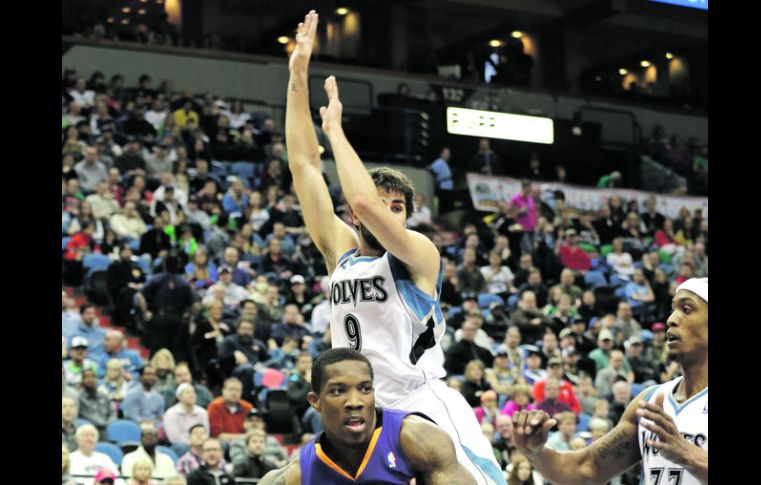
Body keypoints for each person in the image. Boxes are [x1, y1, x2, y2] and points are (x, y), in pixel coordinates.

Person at [284, 10, 504, 485]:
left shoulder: (420, 254)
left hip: (420, 404)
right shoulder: (340, 252)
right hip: (359, 408)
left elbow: (362, 199)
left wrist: (337, 133)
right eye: (381, 205)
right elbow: (303, 166)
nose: (386, 213)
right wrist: (298, 74)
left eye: (397, 207)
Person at [509, 278, 707, 484]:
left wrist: (689, 455)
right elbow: (587, 468)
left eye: (686, 309)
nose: (672, 319)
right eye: (673, 309)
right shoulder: (651, 400)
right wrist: (535, 452)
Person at [258, 347, 476, 484]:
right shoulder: (298, 474)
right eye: (338, 391)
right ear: (315, 401)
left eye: (364, 389)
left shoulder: (418, 438)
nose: (355, 402)